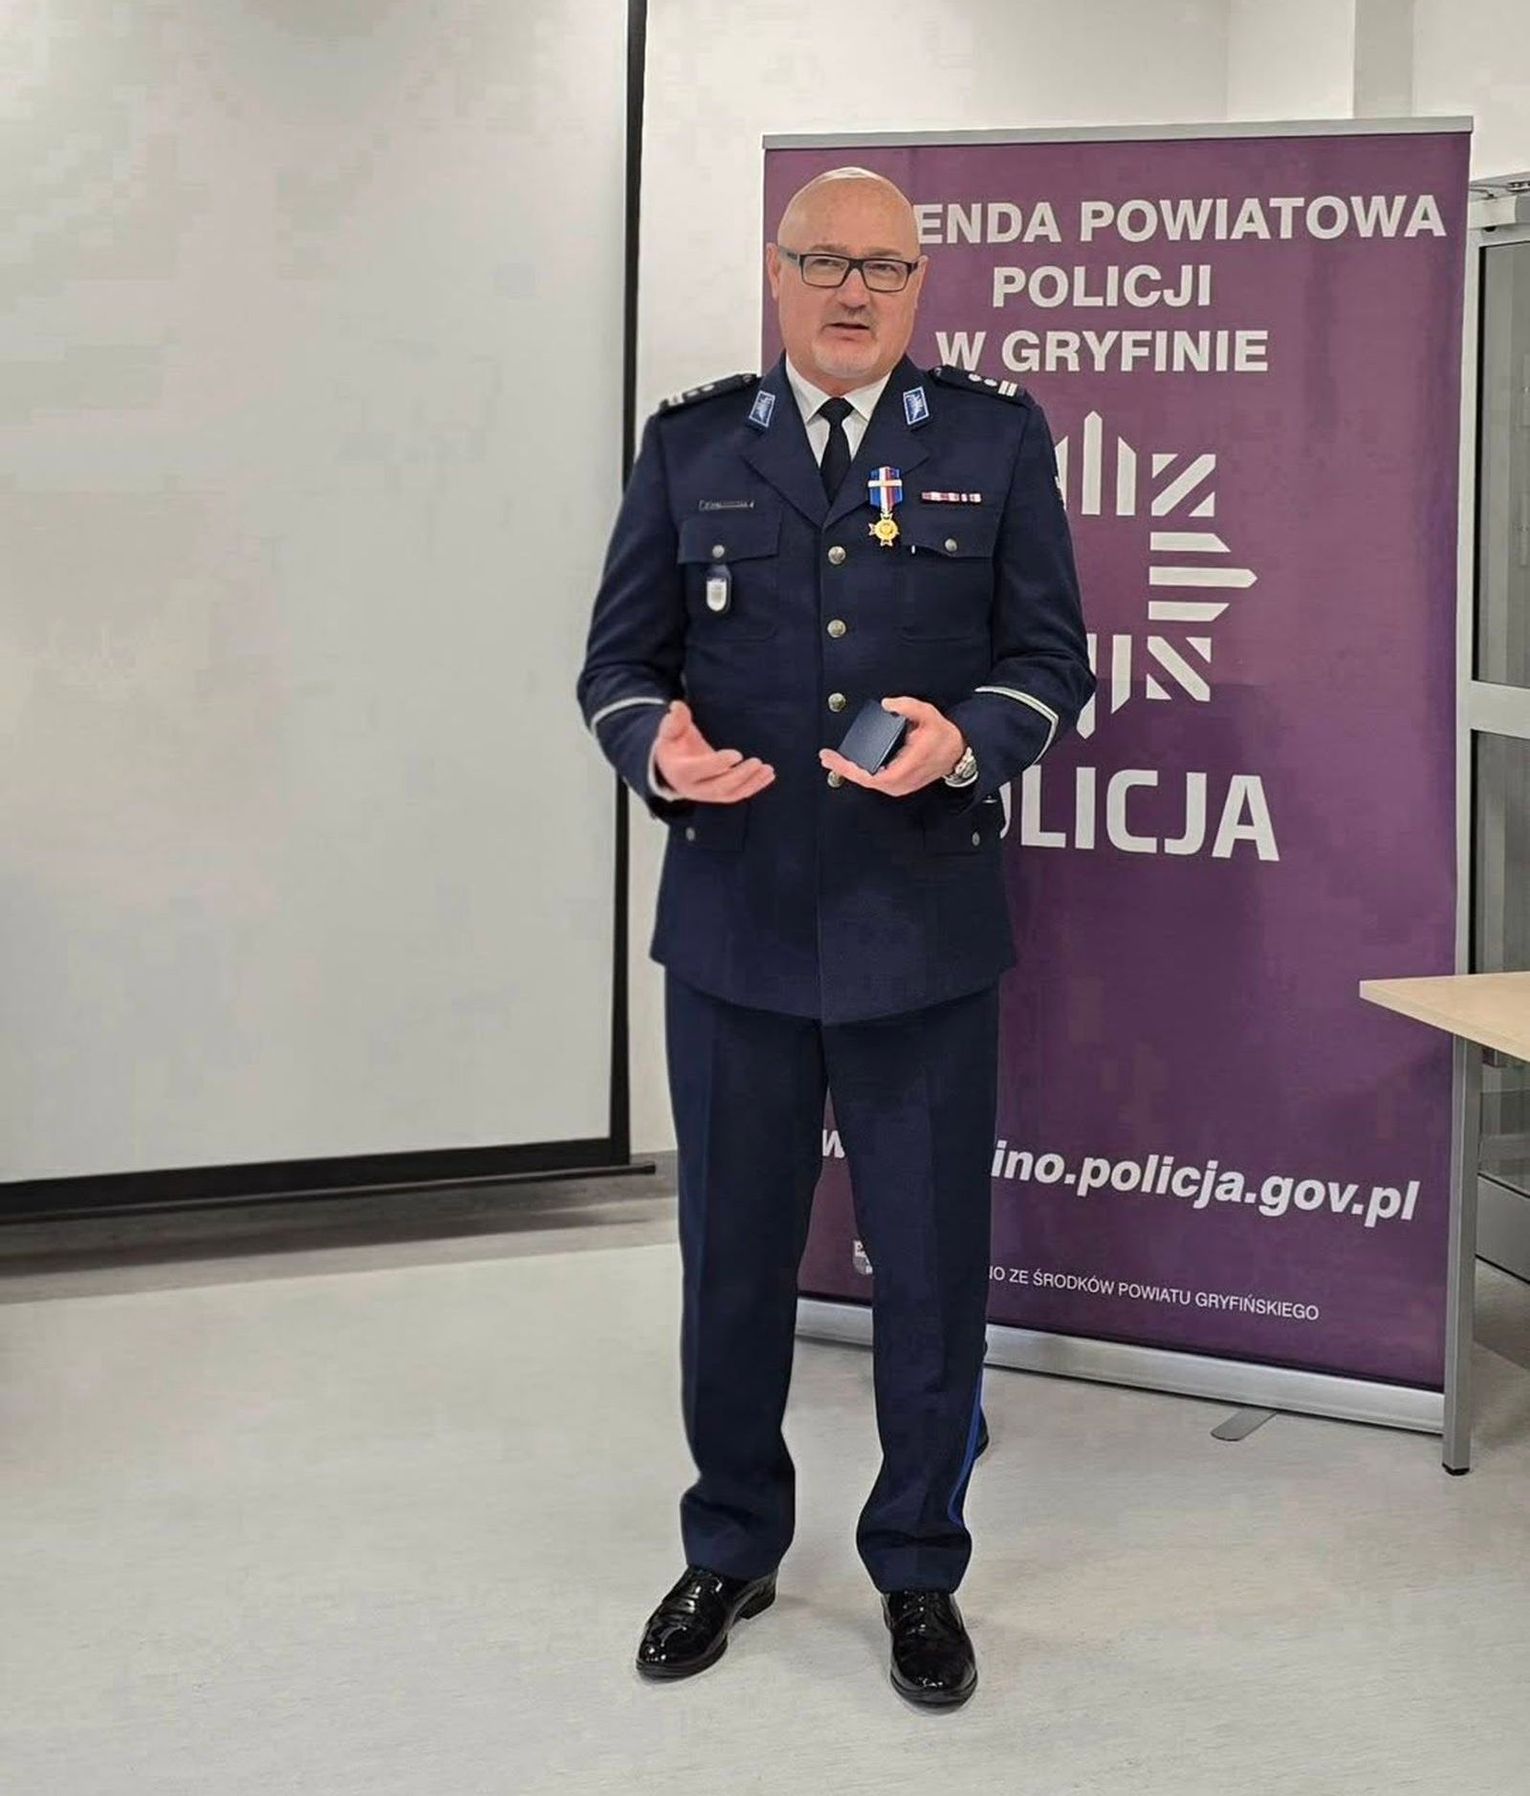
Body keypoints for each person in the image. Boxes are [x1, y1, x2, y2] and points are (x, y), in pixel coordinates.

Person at [576, 167, 1093, 1708]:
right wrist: (655, 750)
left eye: (882, 266)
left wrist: (968, 741)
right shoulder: (691, 445)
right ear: (775, 272)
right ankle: (730, 1542)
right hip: (733, 925)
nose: (852, 290)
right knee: (731, 1261)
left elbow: (1047, 659)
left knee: (928, 1267)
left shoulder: (992, 440)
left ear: (919, 283)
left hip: (917, 929)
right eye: (823, 262)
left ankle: (918, 1565)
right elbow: (617, 665)